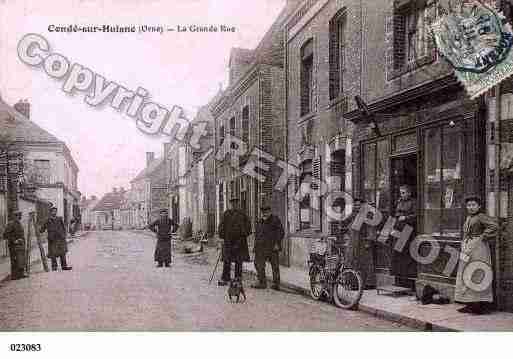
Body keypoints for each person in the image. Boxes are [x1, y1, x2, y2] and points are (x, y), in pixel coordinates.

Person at [455, 195, 498, 315]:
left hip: (479, 248)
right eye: (469, 205)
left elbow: (494, 226)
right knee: (466, 274)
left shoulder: (481, 217)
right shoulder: (468, 217)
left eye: (473, 205)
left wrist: (483, 237)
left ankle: (479, 305)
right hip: (467, 247)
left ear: (479, 206)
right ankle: (469, 303)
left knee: (477, 273)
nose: (471, 207)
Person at [217, 196, 251, 286]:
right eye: (232, 203)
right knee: (227, 260)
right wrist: (222, 237)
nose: (234, 205)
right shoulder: (226, 214)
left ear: (238, 204)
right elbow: (221, 226)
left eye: (236, 203)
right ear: (230, 204)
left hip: (240, 242)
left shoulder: (243, 214)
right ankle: (225, 278)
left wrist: (244, 235)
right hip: (228, 241)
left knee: (238, 261)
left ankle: (238, 278)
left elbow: (248, 227)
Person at [251, 202, 284, 290]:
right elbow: (257, 235)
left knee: (275, 266)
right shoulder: (259, 221)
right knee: (258, 264)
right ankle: (262, 282)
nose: (264, 213)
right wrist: (255, 247)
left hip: (272, 247)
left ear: (270, 211)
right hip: (261, 247)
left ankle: (276, 284)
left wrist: (277, 243)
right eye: (263, 212)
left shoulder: (275, 220)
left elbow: (281, 232)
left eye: (266, 211)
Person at [40, 207, 72, 271]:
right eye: (53, 211)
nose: (54, 212)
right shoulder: (48, 220)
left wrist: (64, 235)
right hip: (52, 239)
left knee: (62, 252)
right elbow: (42, 229)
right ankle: (54, 267)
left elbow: (63, 227)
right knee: (53, 253)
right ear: (50, 212)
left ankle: (64, 266)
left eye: (55, 211)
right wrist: (40, 230)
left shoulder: (59, 219)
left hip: (60, 238)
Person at [3, 211, 27, 280]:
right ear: (15, 216)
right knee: (15, 260)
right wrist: (14, 240)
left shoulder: (19, 223)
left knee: (20, 259)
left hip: (20, 245)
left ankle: (20, 274)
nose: (20, 217)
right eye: (19, 215)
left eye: (20, 215)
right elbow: (5, 235)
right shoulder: (11, 224)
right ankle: (14, 276)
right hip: (14, 246)